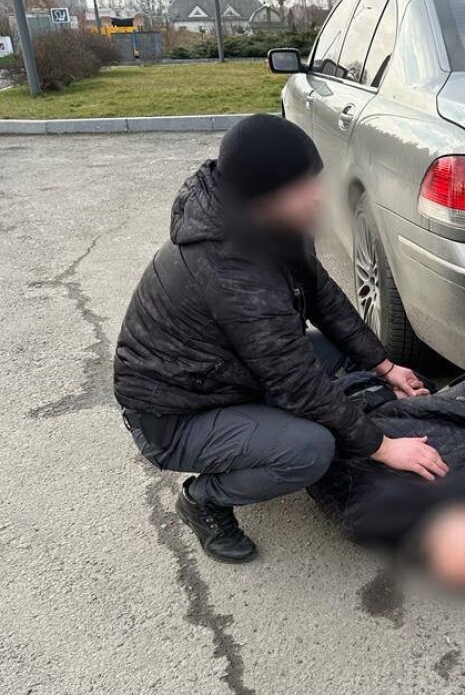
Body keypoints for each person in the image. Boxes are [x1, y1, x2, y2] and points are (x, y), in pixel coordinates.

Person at [114, 114, 447, 564]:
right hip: (174, 416)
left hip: (226, 373)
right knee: (311, 449)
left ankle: (268, 431)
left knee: (334, 358)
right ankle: (204, 499)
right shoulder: (230, 268)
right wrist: (384, 448)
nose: (317, 194)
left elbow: (322, 295)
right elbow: (296, 382)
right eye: (303, 185)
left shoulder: (267, 222)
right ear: (264, 195)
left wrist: (384, 366)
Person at [307, 361, 465, 592]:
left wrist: (384, 403)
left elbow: (325, 443)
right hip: (398, 398)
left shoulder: (368, 513)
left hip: (353, 399)